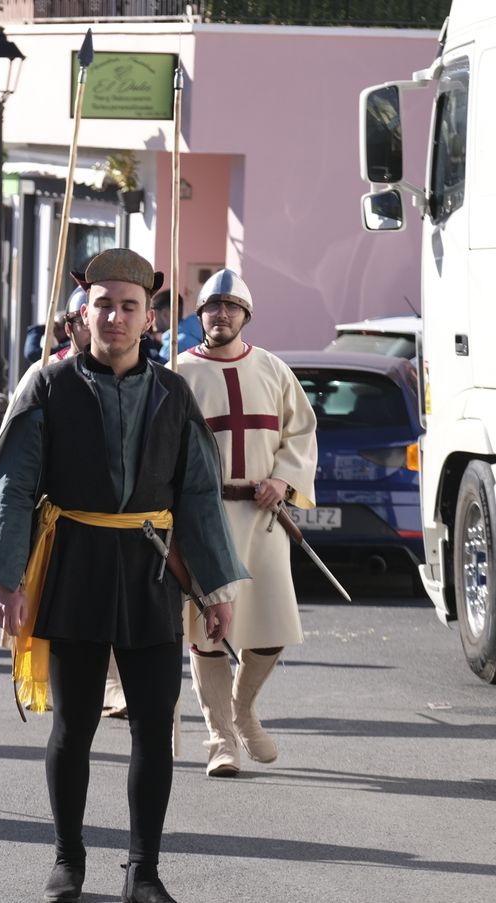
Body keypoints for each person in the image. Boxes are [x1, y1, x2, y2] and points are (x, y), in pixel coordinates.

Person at [0, 248, 248, 903]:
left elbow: (199, 494)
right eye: (105, 305)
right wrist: (8, 580)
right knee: (75, 724)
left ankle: (143, 871)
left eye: (129, 306)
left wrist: (214, 590)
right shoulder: (48, 385)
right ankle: (68, 859)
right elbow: (13, 485)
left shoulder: (173, 393)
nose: (116, 317)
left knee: (155, 723)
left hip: (151, 572)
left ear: (149, 317)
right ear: (83, 312)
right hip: (75, 565)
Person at [177, 268, 317, 778]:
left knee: (272, 629)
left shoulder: (274, 370)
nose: (221, 314)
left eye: (231, 307)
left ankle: (242, 712)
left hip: (264, 518)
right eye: (212, 306)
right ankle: (220, 739)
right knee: (208, 634)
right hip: (205, 519)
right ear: (201, 316)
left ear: (245, 315)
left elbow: (300, 433)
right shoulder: (179, 374)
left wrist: (282, 479)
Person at [153, 289, 204, 362]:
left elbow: (159, 372)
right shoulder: (199, 336)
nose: (151, 320)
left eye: (153, 314)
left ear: (165, 314)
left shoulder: (173, 345)